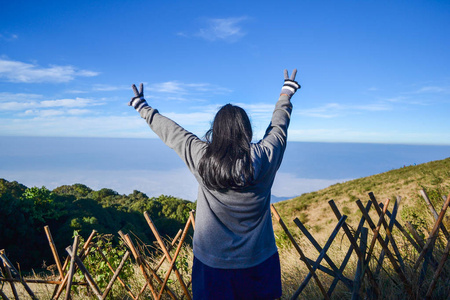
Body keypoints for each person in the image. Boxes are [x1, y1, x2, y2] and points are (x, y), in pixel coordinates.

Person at [129, 69, 300, 299]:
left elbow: (173, 133)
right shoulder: (266, 156)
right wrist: (285, 93)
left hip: (212, 267)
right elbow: (279, 128)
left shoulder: (202, 158)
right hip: (259, 262)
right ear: (247, 131)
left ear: (216, 131)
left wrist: (142, 107)